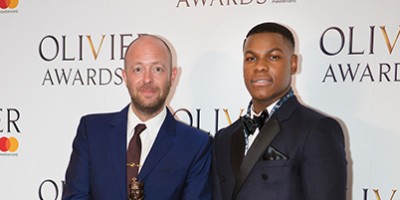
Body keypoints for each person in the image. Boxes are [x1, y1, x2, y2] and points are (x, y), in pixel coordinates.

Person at [62, 34, 213, 200]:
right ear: (125, 76)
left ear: (172, 75)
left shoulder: (196, 144)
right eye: (138, 69)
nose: (147, 79)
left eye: (157, 69)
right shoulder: (92, 131)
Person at [212, 22, 347, 200]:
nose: (260, 66)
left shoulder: (316, 130)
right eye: (251, 58)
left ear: (293, 64)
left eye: (273, 57)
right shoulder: (224, 138)